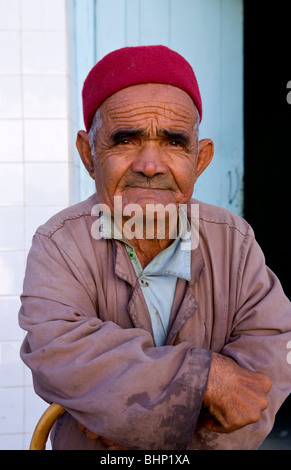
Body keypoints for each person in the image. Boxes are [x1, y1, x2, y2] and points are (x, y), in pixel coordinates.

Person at [19, 45, 291, 450]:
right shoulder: (58, 244)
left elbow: (268, 366)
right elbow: (59, 356)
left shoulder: (234, 240)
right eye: (126, 140)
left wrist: (140, 429)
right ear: (88, 155)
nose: (150, 164)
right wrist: (206, 377)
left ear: (200, 159)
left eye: (173, 142)